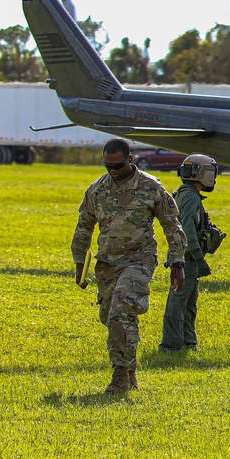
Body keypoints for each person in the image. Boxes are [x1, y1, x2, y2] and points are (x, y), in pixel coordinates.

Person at [71, 138, 187, 394]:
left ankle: (120, 377)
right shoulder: (97, 190)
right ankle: (130, 372)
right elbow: (84, 227)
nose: (113, 171)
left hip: (139, 259)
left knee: (120, 312)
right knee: (111, 318)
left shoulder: (150, 187)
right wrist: (80, 263)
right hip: (107, 263)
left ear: (130, 159)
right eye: (107, 166)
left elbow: (172, 225)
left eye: (118, 165)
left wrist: (177, 262)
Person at [160, 153, 224, 353]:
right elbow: (186, 229)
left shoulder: (186, 194)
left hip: (186, 258)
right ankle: (170, 345)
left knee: (189, 302)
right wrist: (198, 258)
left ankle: (188, 340)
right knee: (177, 302)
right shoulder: (189, 197)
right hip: (186, 259)